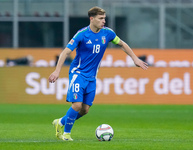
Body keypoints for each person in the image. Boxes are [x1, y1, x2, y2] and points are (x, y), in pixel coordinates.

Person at [48, 6, 148, 141]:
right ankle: (66, 134)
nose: (103, 21)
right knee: (76, 105)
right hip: (78, 73)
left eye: (104, 18)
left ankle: (60, 122)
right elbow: (66, 52)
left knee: (84, 110)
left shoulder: (108, 33)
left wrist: (135, 58)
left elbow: (122, 44)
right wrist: (57, 71)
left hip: (92, 77)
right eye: (100, 18)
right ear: (92, 19)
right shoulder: (82, 34)